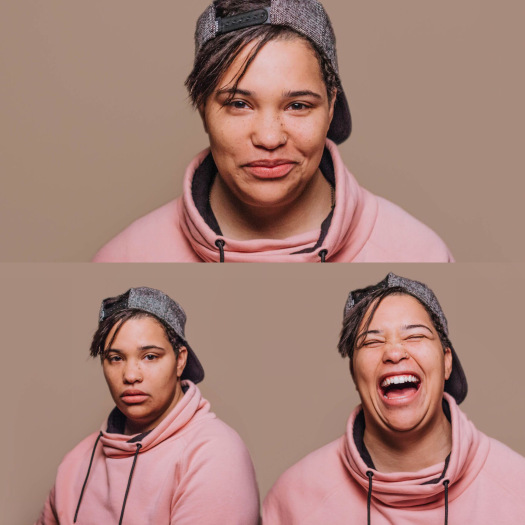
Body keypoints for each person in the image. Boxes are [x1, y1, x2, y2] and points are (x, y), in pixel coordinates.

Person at [93, 0, 453, 263]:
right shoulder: (122, 259)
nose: (268, 138)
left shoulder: (420, 254)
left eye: (298, 105)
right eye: (239, 104)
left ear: (331, 107)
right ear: (202, 108)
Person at [263, 273, 525, 524]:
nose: (394, 352)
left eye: (415, 336)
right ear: (354, 372)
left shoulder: (517, 487)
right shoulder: (295, 499)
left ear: (446, 362)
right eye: (371, 341)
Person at [36, 287, 259, 525]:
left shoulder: (214, 454)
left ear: (180, 360)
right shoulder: (76, 461)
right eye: (116, 358)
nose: (131, 375)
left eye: (150, 356)